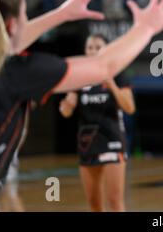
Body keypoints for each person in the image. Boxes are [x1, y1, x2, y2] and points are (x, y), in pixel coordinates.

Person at [0, 0, 163, 211]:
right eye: (26, 15)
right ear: (12, 25)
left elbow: (2, 41)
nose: (27, 21)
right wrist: (146, 28)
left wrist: (62, 14)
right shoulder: (17, 73)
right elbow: (104, 65)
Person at [59, 34, 136, 212]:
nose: (93, 51)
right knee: (94, 204)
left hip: (112, 141)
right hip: (88, 143)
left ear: (107, 50)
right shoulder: (79, 78)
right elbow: (66, 112)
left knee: (115, 202)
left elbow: (130, 107)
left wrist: (112, 86)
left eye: (98, 47)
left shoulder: (117, 73)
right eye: (90, 47)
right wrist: (66, 106)